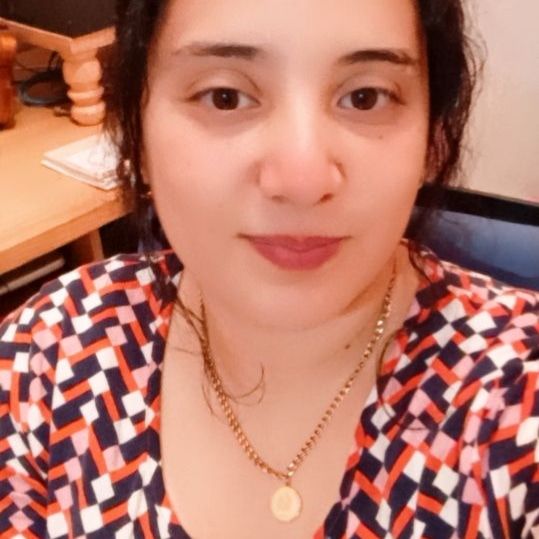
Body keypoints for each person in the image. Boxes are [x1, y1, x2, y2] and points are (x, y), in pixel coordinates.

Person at [1, 0, 538, 537]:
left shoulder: (516, 397)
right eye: (225, 96)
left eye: (365, 97)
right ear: (136, 129)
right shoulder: (49, 358)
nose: (302, 179)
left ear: (432, 139)